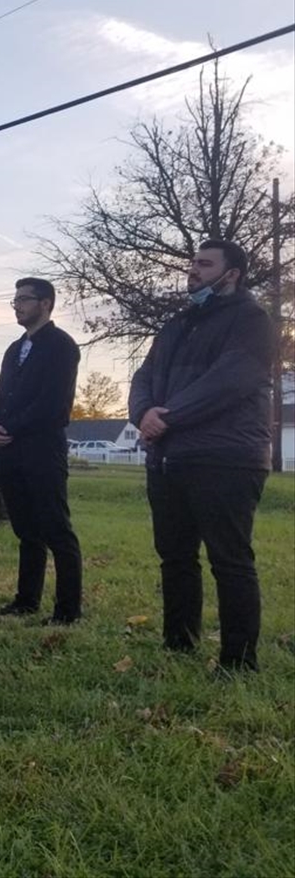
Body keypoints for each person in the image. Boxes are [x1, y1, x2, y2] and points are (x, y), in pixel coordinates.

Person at [129, 239, 275, 672]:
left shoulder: (252, 320)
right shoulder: (176, 324)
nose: (193, 270)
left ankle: (238, 661)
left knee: (229, 560)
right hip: (170, 457)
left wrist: (166, 417)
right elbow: (144, 375)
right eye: (192, 262)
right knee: (174, 557)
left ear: (232, 274)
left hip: (226, 458)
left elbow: (230, 381)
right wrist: (142, 413)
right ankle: (179, 643)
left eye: (205, 264)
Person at [0, 277, 83, 624]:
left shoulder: (61, 346)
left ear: (46, 304)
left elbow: (55, 405)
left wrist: (11, 427)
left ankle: (68, 610)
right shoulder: (15, 349)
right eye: (15, 301)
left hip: (42, 450)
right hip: (10, 453)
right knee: (26, 530)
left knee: (56, 529)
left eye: (24, 300)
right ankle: (26, 600)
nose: (18, 306)